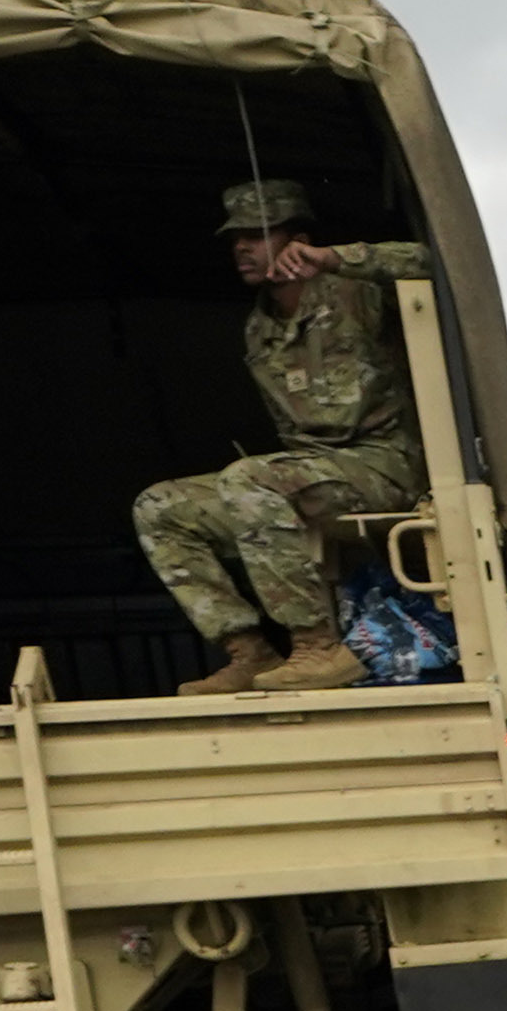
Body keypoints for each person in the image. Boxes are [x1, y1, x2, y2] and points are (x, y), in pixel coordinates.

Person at [135, 179, 442, 694]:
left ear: (295, 238)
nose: (241, 248)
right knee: (161, 506)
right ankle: (249, 651)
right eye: (236, 239)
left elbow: (429, 261)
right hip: (312, 473)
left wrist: (334, 259)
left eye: (256, 235)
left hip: (383, 465)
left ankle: (317, 647)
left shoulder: (355, 293)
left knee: (250, 480)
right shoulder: (261, 328)